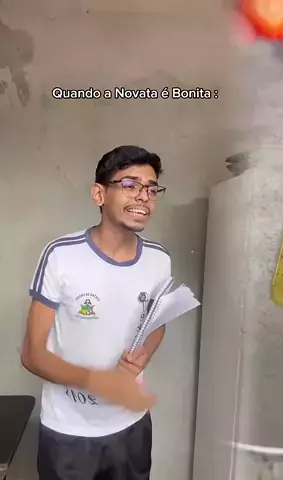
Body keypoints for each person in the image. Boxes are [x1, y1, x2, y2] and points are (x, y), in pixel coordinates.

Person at [21, 145, 171, 480]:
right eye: (130, 185)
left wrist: (144, 354)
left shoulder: (159, 260)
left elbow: (157, 323)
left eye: (151, 188)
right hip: (69, 433)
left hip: (132, 426)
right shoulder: (61, 255)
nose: (144, 196)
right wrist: (104, 383)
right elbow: (32, 355)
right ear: (99, 194)